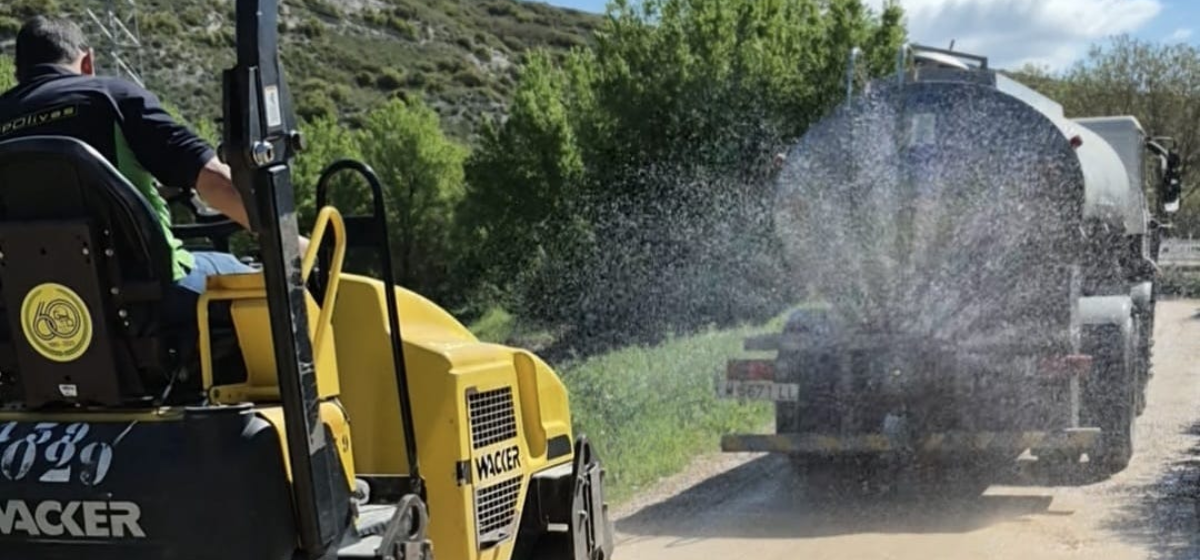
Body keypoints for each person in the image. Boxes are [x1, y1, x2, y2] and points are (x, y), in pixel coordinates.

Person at [0, 16, 307, 335]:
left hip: (32, 312)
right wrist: (292, 242)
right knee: (257, 278)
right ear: (87, 61)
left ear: (19, 71)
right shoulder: (112, 97)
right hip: (147, 298)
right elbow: (215, 181)